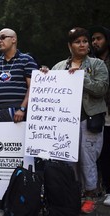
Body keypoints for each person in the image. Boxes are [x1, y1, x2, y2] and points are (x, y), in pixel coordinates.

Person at [50, 27, 108, 214]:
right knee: (68, 161)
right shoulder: (59, 67)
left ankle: (90, 196)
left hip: (89, 120)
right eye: (77, 42)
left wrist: (81, 78)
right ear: (70, 46)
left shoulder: (98, 64)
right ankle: (72, 196)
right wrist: (45, 75)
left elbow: (101, 89)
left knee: (88, 160)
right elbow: (49, 89)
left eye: (85, 41)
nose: (82, 44)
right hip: (66, 122)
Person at [0, 28, 38, 210]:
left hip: (19, 113)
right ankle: (0, 195)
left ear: (14, 40)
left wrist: (22, 107)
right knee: (0, 156)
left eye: (3, 37)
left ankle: (23, 193)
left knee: (19, 155)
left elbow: (33, 86)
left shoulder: (26, 60)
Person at [89, 26, 110, 206]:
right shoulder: (90, 62)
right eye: (93, 39)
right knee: (104, 153)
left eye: (99, 38)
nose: (96, 42)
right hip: (101, 114)